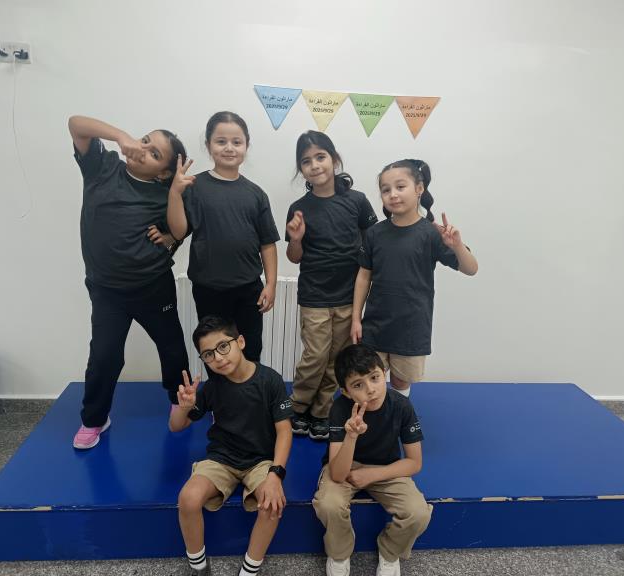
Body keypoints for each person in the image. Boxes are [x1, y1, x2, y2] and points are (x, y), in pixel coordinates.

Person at [68, 115, 190, 450]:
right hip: (107, 290)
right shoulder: (102, 166)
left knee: (172, 348)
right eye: (145, 140)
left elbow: (180, 230)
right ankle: (95, 418)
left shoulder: (165, 192)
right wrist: (121, 136)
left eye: (155, 154)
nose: (143, 149)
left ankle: (180, 401)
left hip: (153, 285)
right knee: (104, 355)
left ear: (163, 173)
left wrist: (170, 223)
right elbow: (76, 124)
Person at [169, 315, 292, 576]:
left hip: (260, 460)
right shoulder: (212, 387)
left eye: (223, 346)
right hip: (221, 458)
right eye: (208, 354)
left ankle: (250, 569)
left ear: (241, 342)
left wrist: (275, 474)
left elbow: (284, 431)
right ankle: (199, 567)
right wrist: (183, 407)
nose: (218, 358)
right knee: (188, 498)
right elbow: (176, 426)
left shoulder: (270, 380)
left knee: (273, 505)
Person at [351, 159, 478, 396]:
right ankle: (372, 419)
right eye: (386, 190)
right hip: (375, 326)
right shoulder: (375, 233)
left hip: (411, 328)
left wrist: (457, 246)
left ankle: (398, 415)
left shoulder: (431, 234)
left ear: (419, 189)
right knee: (369, 381)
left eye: (400, 187)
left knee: (401, 383)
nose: (393, 194)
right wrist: (356, 318)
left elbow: (471, 269)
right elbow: (363, 276)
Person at [285, 131, 377, 440]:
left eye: (320, 157)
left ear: (334, 159)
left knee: (336, 360)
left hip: (348, 296)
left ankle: (321, 412)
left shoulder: (357, 201)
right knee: (315, 356)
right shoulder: (299, 207)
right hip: (314, 295)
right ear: (301, 169)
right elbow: (294, 256)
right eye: (306, 161)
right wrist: (296, 239)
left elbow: (372, 243)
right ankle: (298, 407)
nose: (314, 165)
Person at [167, 112, 280, 361]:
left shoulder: (256, 194)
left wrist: (270, 284)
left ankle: (249, 388)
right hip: (209, 289)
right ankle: (219, 388)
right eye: (221, 141)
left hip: (248, 289)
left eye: (236, 142)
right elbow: (178, 232)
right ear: (208, 145)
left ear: (246, 146)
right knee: (215, 352)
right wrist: (174, 193)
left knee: (250, 351)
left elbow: (267, 244)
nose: (229, 148)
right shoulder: (194, 187)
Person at [313, 344, 431, 576]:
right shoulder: (340, 408)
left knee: (418, 513)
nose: (371, 390)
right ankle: (339, 553)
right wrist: (351, 436)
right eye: (358, 385)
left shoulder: (401, 405)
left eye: (375, 378)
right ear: (346, 392)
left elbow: (414, 463)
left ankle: (390, 551)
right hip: (345, 465)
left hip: (386, 467)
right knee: (328, 504)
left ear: (384, 373)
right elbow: (337, 473)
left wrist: (372, 474)